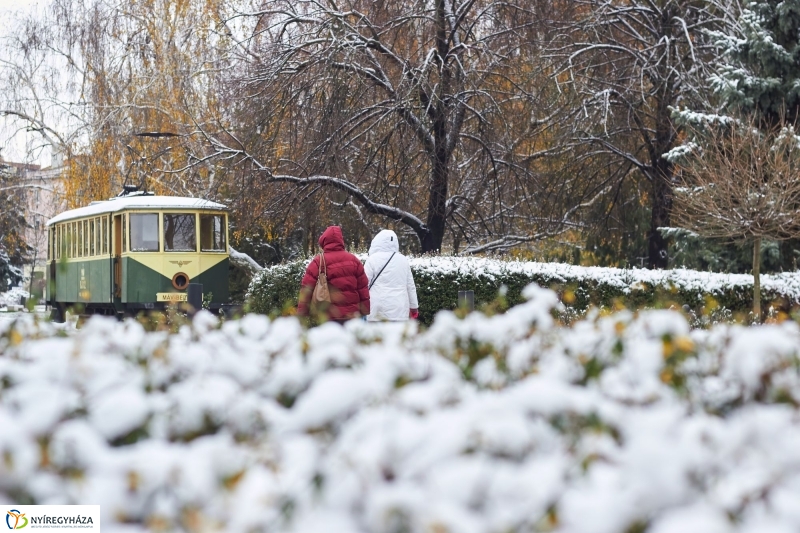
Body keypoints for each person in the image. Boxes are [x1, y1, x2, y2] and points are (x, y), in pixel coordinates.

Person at [297, 226, 370, 323]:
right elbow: (363, 288)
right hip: (352, 316)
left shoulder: (318, 262)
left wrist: (302, 313)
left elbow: (307, 288)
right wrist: (364, 311)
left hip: (328, 316)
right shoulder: (354, 260)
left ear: (324, 241)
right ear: (341, 241)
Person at [364, 229, 418, 322]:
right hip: (399, 309)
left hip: (377, 309)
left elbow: (364, 284)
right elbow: (410, 286)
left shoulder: (372, 259)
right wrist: (414, 307)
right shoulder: (403, 260)